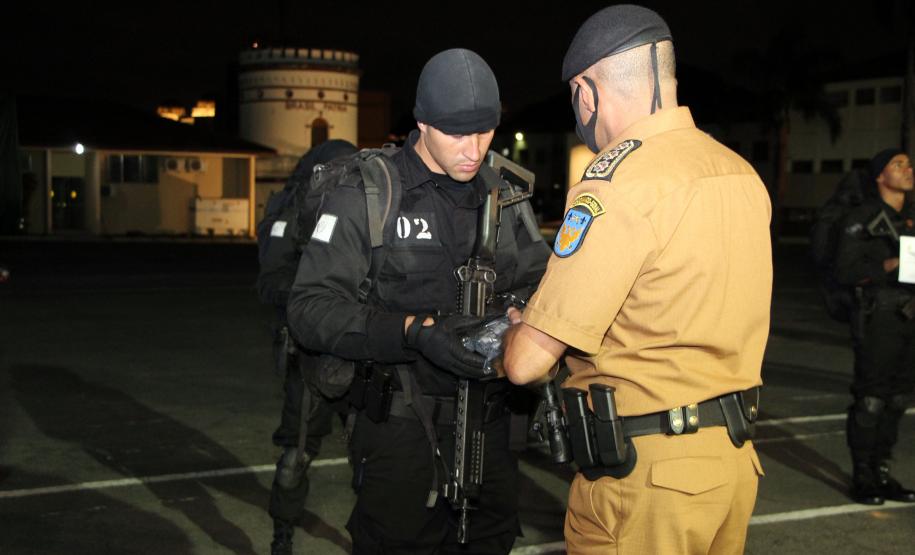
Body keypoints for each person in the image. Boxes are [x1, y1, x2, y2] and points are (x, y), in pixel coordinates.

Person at [502, 5, 772, 554]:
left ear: (586, 92)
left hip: (647, 481)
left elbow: (526, 363)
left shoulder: (616, 184)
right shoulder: (738, 173)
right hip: (732, 464)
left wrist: (514, 329)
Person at [286, 48, 550, 554]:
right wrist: (412, 332)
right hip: (400, 433)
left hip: (491, 427)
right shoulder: (369, 192)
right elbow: (310, 309)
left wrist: (523, 314)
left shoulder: (505, 195)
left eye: (485, 131)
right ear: (423, 122)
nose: (474, 149)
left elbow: (539, 281)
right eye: (456, 133)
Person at [255, 139, 358, 555]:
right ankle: (282, 535)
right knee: (295, 457)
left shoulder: (360, 206)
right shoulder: (293, 211)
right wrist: (314, 300)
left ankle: (373, 538)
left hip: (358, 349)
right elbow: (270, 282)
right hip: (309, 354)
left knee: (374, 457)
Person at [834, 147, 915, 505]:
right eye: (898, 164)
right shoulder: (862, 218)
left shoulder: (912, 216)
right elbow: (844, 270)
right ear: (881, 175)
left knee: (898, 398)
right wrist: (889, 264)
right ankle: (863, 475)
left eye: (909, 164)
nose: (908, 169)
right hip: (879, 315)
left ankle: (883, 471)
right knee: (871, 398)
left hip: (910, 316)